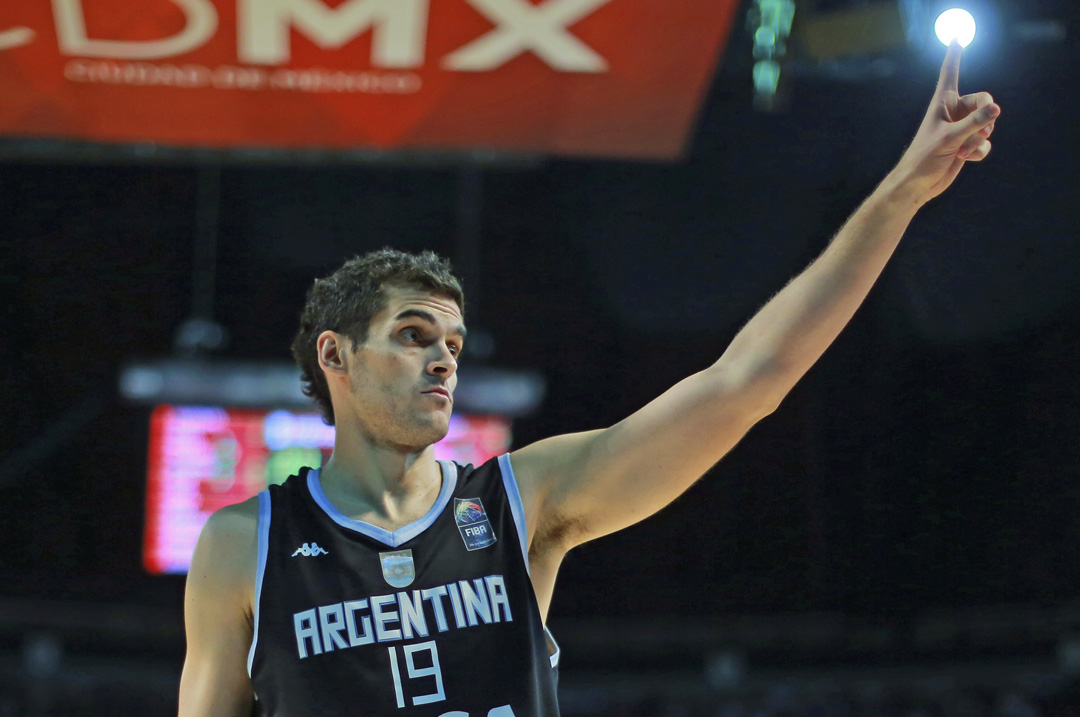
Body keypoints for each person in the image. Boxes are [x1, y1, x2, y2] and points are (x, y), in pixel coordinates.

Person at [178, 41, 1000, 716]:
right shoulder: (244, 546)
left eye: (455, 344)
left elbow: (747, 381)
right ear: (336, 356)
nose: (442, 359)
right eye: (413, 334)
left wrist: (900, 196)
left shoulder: (515, 505)